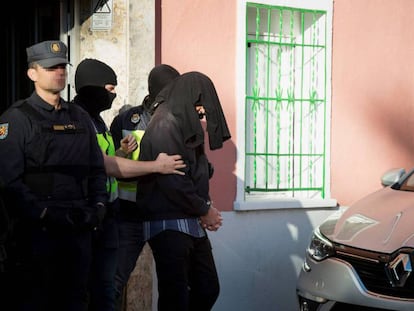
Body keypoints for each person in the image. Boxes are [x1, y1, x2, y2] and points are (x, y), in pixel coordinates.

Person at [0, 40, 108, 311]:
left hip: (78, 230)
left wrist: (98, 207)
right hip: (37, 235)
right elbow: (9, 181)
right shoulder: (16, 118)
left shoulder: (80, 116)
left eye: (61, 66)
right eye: (50, 68)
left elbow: (96, 169)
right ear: (32, 73)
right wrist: (45, 214)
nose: (58, 72)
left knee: (75, 301)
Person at [73, 59, 185, 311]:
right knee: (104, 285)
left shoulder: (97, 120)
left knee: (111, 287)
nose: (113, 95)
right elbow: (106, 166)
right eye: (110, 89)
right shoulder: (84, 121)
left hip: (133, 214)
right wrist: (157, 166)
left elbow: (110, 162)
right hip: (105, 216)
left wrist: (123, 153)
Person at [136, 71, 231, 311]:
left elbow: (192, 171)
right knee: (175, 296)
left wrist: (203, 206)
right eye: (199, 103)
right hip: (168, 223)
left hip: (189, 221)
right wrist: (204, 209)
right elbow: (173, 180)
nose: (202, 111)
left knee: (207, 288)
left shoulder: (181, 121)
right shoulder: (165, 123)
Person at [109, 64, 180, 308]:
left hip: (165, 215)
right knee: (114, 280)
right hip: (130, 215)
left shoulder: (179, 118)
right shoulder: (127, 119)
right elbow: (112, 159)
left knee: (173, 284)